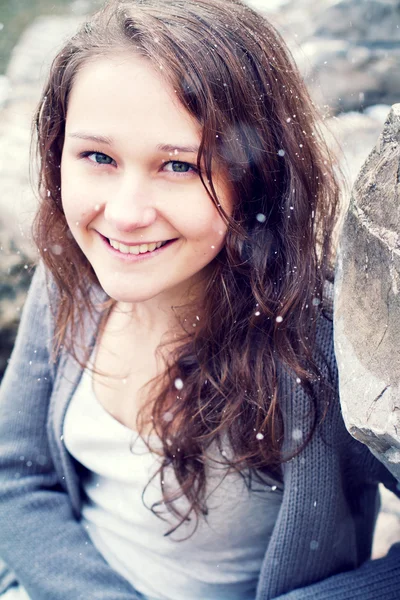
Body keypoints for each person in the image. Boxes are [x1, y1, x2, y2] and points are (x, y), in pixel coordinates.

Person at [0, 0, 399, 598]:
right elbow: (14, 475)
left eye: (180, 166)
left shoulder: (320, 346)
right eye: (98, 157)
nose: (127, 214)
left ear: (258, 175)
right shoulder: (72, 279)